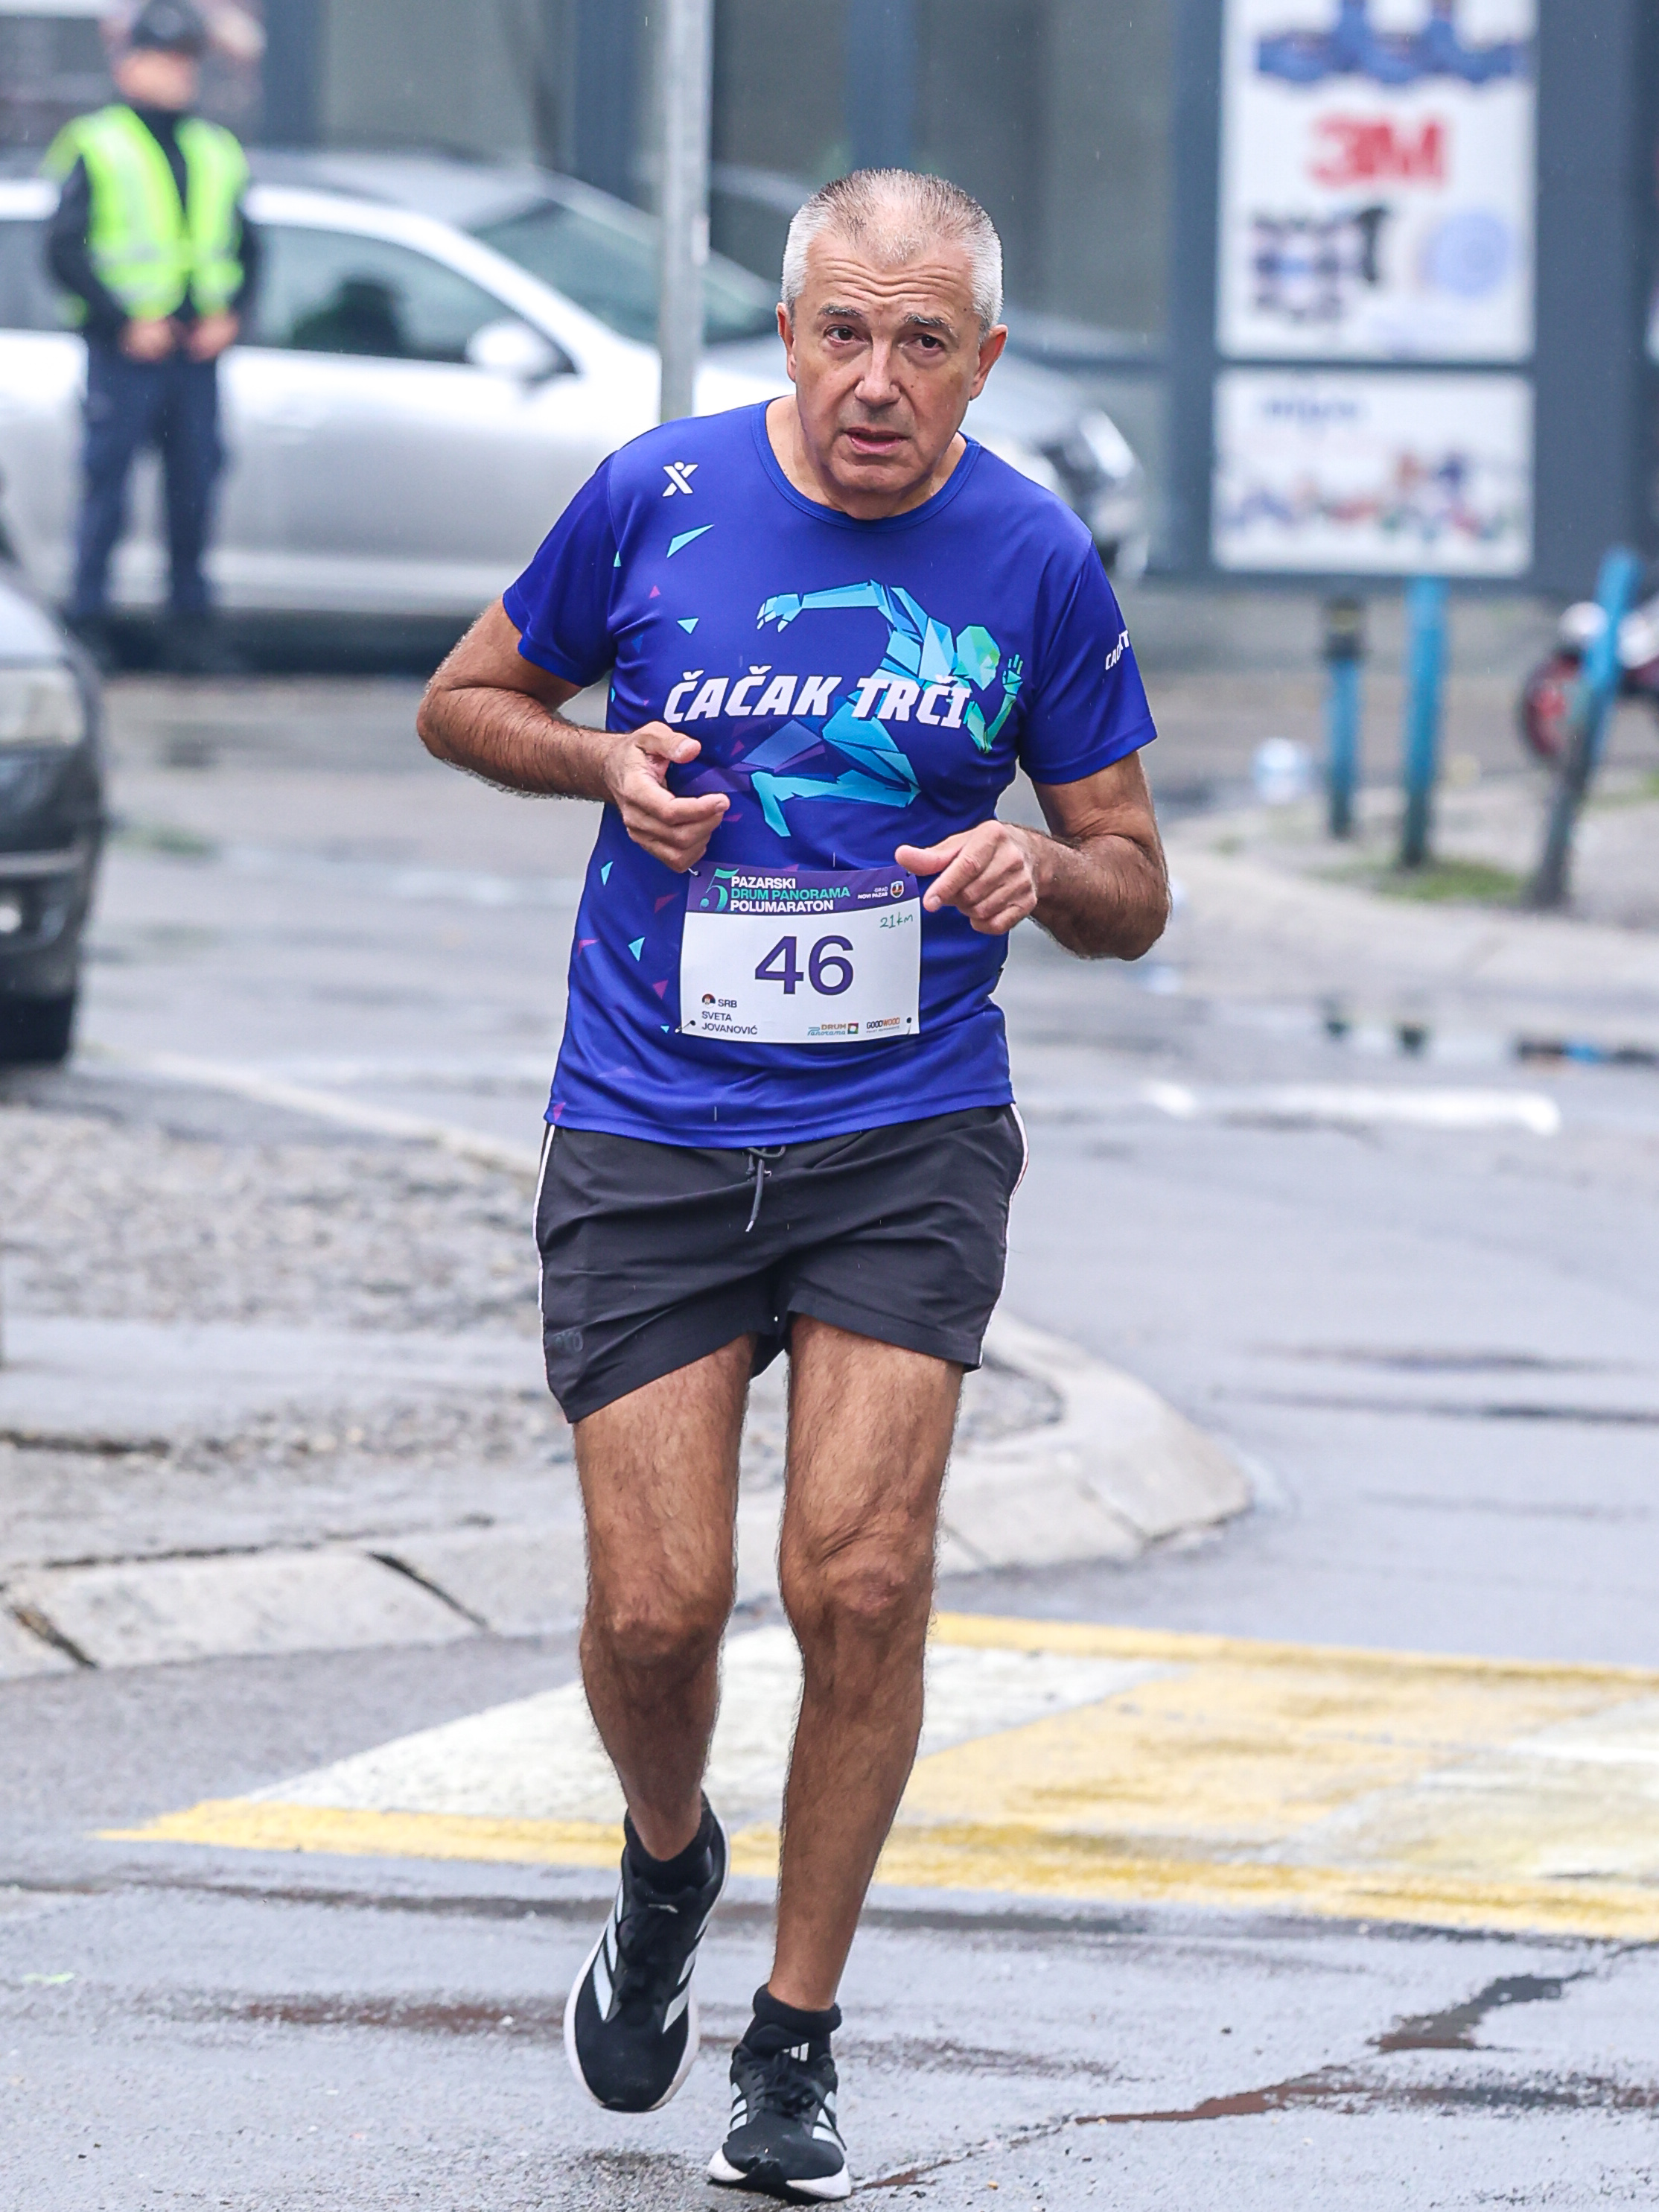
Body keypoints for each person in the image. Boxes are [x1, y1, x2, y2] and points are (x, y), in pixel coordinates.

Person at [417, 168, 1168, 2202]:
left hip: (904, 1132)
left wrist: (1042, 867)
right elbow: (465, 700)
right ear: (787, 334)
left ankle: (795, 2034)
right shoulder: (653, 496)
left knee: (860, 1577)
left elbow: (1131, 881)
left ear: (981, 363)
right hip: (650, 1122)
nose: (875, 380)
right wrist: (599, 764)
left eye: (922, 343)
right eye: (843, 332)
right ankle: (669, 1864)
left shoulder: (1029, 553)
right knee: (656, 1612)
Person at [44, 0, 258, 673]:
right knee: (105, 494)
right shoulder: (97, 142)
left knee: (193, 495)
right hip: (126, 354)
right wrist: (123, 322)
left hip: (195, 355)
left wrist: (233, 316)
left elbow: (250, 246)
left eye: (185, 61)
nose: (177, 74)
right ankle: (88, 626)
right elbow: (64, 250)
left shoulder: (215, 147)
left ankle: (189, 633)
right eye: (164, 59)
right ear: (129, 64)